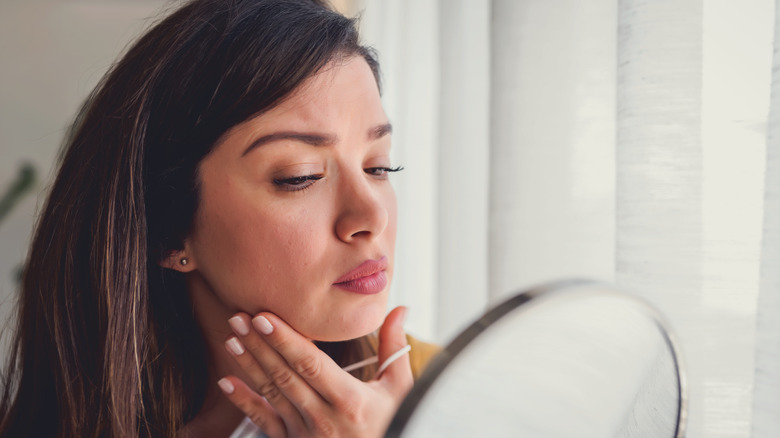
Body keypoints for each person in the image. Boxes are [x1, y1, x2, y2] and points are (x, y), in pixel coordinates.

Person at [0, 0, 439, 436]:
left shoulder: (461, 397)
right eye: (299, 177)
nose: (371, 216)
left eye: (379, 166)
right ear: (169, 232)